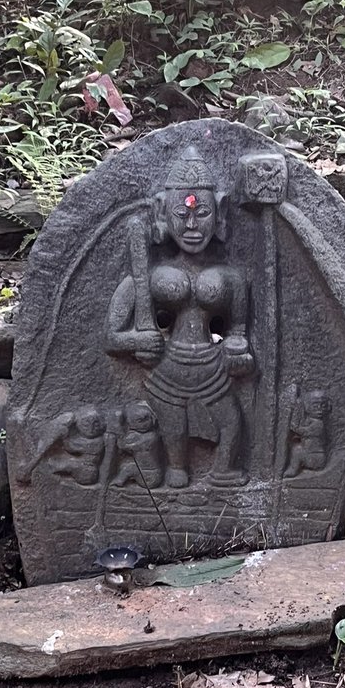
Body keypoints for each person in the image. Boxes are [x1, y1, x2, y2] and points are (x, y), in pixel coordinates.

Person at [105, 147, 253, 487]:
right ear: (161, 212)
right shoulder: (150, 277)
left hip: (212, 367)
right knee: (173, 444)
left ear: (219, 213)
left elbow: (239, 331)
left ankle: (222, 473)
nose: (191, 225)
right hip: (166, 369)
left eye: (201, 214)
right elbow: (111, 337)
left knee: (231, 424)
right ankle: (174, 479)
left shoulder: (231, 279)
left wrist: (237, 347)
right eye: (181, 214)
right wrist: (138, 339)